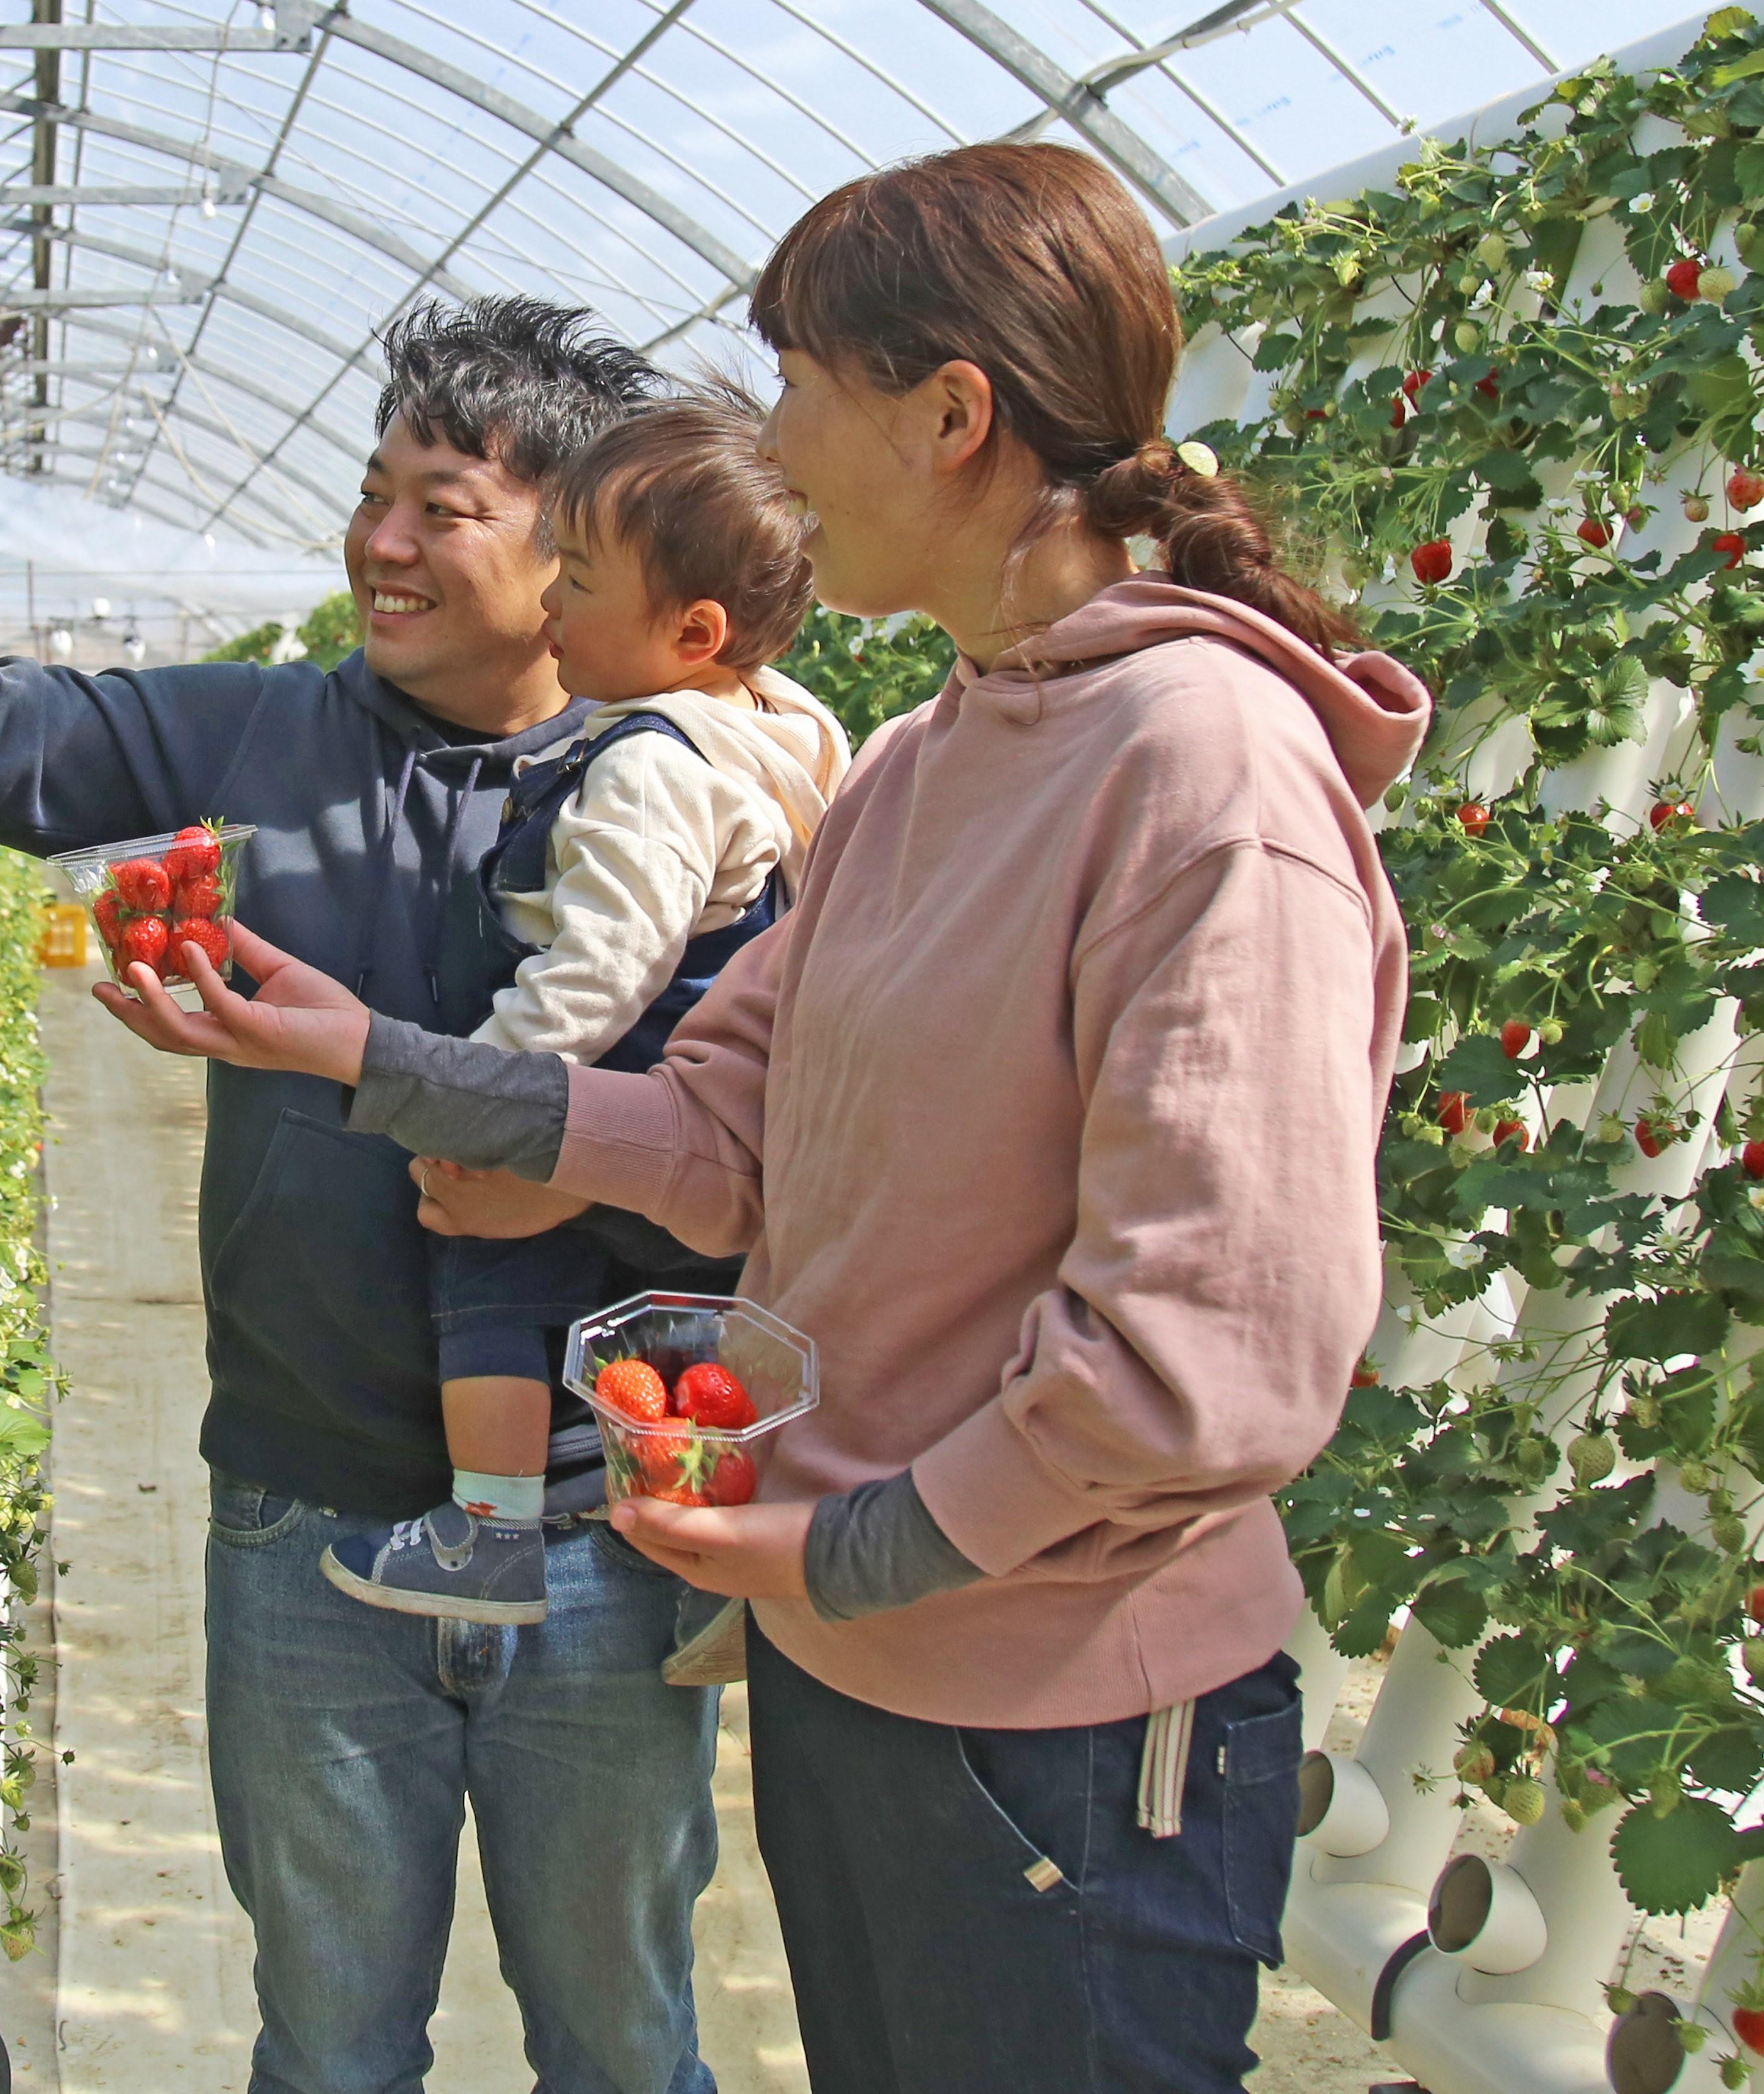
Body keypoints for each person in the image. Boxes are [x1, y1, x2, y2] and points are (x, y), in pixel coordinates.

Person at [89, 142, 1432, 2092]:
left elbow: (1213, 1355)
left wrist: (862, 1546)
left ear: (950, 414)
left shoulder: (1200, 777)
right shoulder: (916, 761)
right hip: (858, 1668)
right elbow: (715, 1129)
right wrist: (358, 1056)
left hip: (1059, 1719)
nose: (776, 440)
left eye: (802, 377)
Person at [0, 300, 736, 2094]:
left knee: (622, 2047)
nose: (381, 544)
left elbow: (755, 1139)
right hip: (306, 1528)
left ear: (578, 544)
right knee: (325, 2050)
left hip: (596, 1545)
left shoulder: (689, 799)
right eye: (372, 494)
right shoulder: (268, 733)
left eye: (441, 508)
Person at [323, 384, 850, 1630]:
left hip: (619, 1081)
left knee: (487, 1261)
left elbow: (601, 970)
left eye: (585, 581)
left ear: (694, 630)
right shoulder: (777, 728)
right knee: (683, 1346)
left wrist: (484, 1095)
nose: (553, 600)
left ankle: (492, 1530)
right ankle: (712, 1528)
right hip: (716, 1109)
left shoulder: (649, 767)